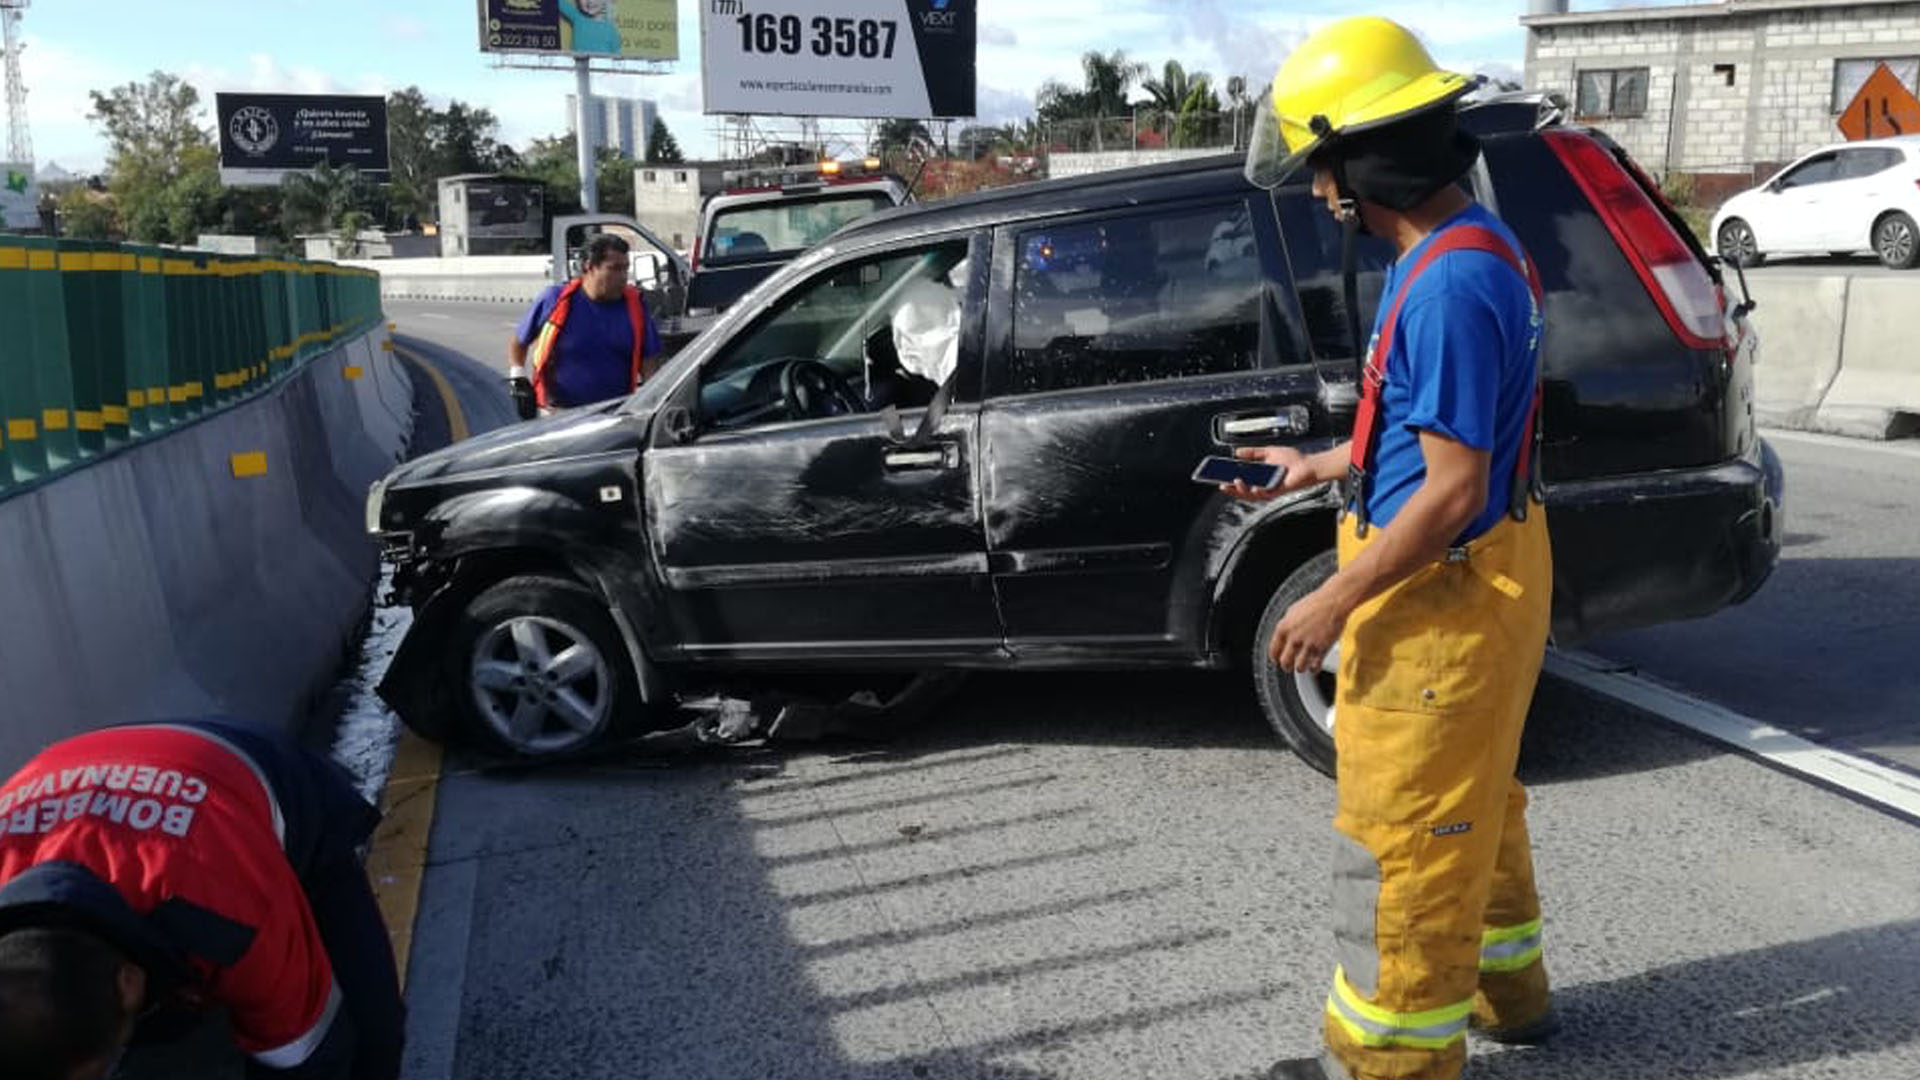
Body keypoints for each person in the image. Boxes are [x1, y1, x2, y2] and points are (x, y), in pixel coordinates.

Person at [1227, 17, 1555, 1080]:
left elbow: (1452, 490)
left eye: (1325, 168)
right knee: (1477, 800)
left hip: (1443, 596)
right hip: (1485, 573)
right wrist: (1320, 466)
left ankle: (1386, 1064)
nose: (1325, 194)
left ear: (1364, 162)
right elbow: (1434, 441)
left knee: (1408, 835)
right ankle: (1513, 996)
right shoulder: (1469, 250)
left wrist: (1330, 601)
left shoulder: (1453, 284)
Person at [0, 719, 403, 1080]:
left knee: (373, 1035)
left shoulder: (229, 918)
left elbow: (304, 1054)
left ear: (130, 980)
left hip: (266, 791)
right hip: (112, 768)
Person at [508, 233, 664, 421]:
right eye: (614, 269)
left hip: (615, 415)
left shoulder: (635, 305)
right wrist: (518, 377)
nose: (623, 277)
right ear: (589, 267)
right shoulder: (555, 300)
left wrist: (650, 405)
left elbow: (649, 362)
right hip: (558, 415)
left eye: (626, 268)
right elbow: (519, 342)